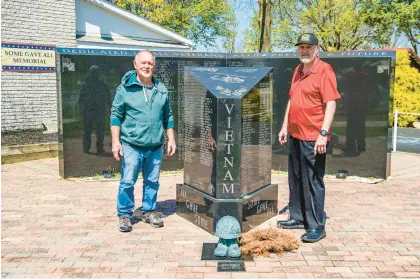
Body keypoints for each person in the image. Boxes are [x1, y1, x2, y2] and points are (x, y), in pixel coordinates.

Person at [277, 33, 341, 243]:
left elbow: (331, 103)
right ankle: (297, 217)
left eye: (308, 47)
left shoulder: (324, 70)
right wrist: (285, 126)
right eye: (301, 47)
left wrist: (323, 134)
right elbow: (292, 100)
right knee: (295, 178)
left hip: (314, 136)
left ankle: (316, 226)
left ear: (317, 49)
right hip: (295, 134)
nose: (304, 51)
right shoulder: (298, 70)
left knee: (313, 181)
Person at [110, 50, 176, 232]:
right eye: (143, 63)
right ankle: (124, 214)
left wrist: (171, 138)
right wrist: (116, 142)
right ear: (135, 64)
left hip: (155, 145)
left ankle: (149, 210)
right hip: (131, 144)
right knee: (128, 180)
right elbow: (115, 115)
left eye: (150, 63)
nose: (147, 66)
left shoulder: (161, 89)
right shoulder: (125, 89)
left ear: (154, 66)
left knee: (152, 181)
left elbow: (168, 116)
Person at [79, 65, 111, 154]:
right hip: (91, 110)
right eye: (95, 72)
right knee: (90, 130)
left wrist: (108, 107)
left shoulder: (100, 83)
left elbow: (108, 96)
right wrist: (81, 110)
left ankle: (94, 148)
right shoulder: (88, 83)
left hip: (96, 110)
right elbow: (81, 99)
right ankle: (90, 147)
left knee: (96, 131)